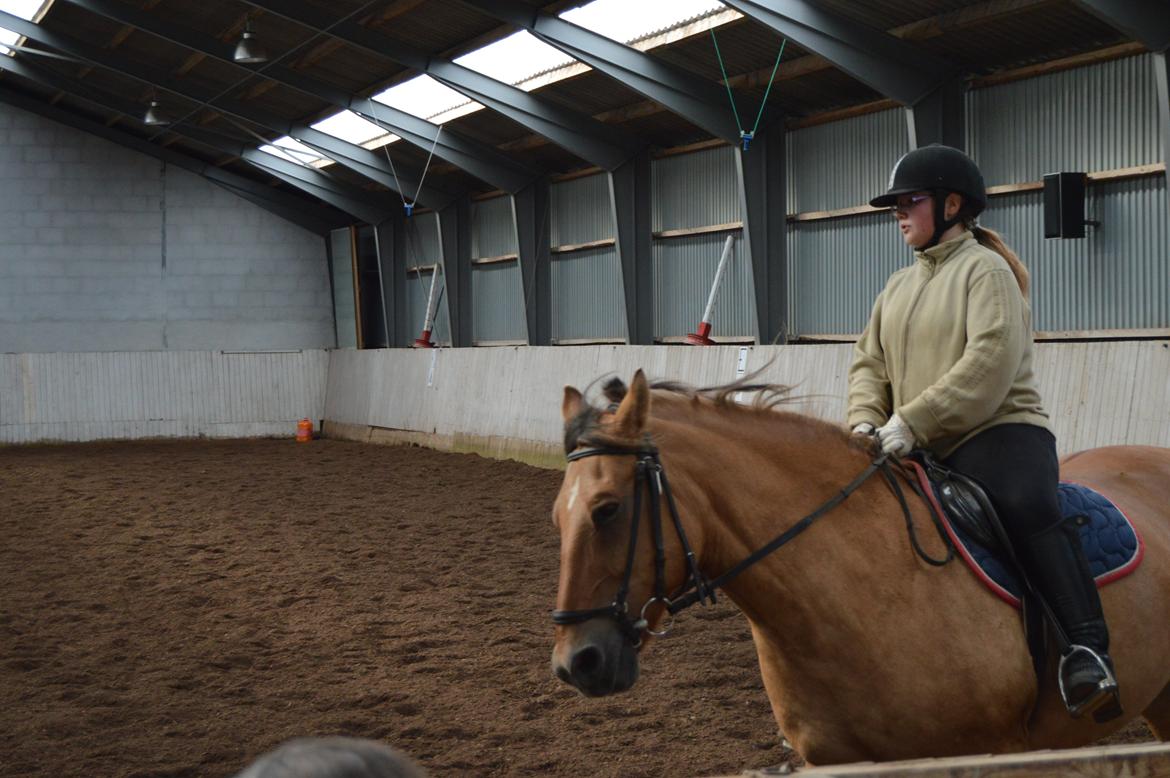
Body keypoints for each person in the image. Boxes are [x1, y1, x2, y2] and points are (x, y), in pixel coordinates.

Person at [845, 144, 1120, 721]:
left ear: (950, 205)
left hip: (998, 433)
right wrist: (865, 421)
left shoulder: (987, 272)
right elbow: (868, 363)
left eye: (909, 202)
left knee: (1026, 505)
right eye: (896, 204)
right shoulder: (895, 287)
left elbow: (989, 364)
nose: (899, 214)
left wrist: (912, 420)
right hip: (911, 440)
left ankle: (1086, 649)